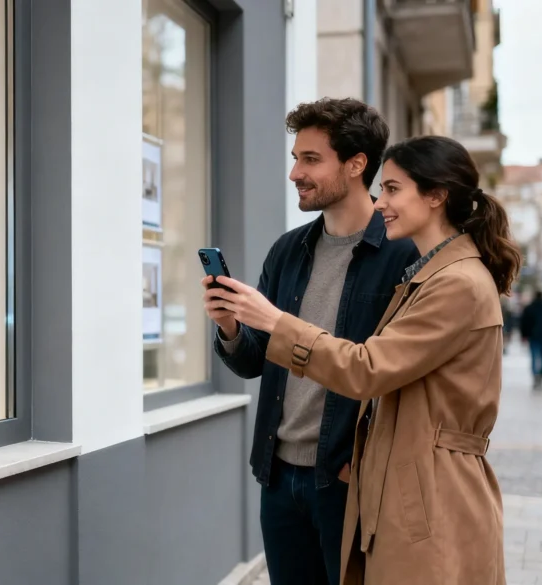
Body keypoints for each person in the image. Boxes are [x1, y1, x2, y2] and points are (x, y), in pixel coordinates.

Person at [208, 135, 520, 584]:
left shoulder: (456, 282)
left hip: (429, 496)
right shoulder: (430, 272)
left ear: (436, 196)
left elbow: (367, 369)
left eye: (393, 189)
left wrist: (277, 322)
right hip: (384, 483)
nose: (381, 203)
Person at [204, 98, 419, 585]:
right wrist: (231, 328)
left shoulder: (403, 255)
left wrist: (357, 467)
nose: (295, 173)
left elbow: (399, 373)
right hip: (279, 476)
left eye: (311, 159)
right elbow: (257, 361)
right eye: (295, 158)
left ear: (356, 164)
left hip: (348, 479)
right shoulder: (288, 250)